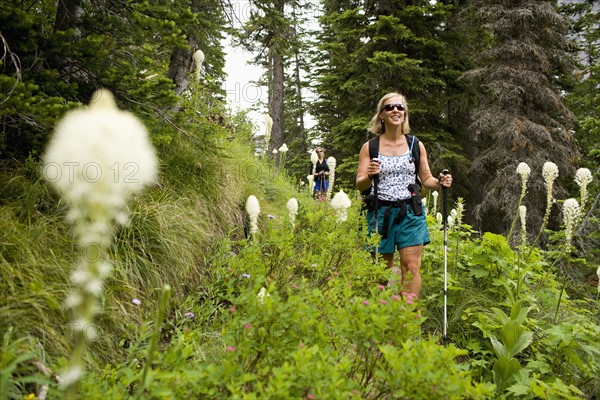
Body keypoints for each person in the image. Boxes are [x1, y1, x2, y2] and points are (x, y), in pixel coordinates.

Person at [356, 92, 452, 298]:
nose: (396, 110)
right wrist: (370, 175)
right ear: (381, 114)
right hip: (379, 212)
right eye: (390, 107)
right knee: (380, 271)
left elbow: (426, 179)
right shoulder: (370, 147)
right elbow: (360, 183)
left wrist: (440, 182)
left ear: (405, 114)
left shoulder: (415, 145)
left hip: (410, 212)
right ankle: (377, 320)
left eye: (400, 107)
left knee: (411, 267)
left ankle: (406, 321)